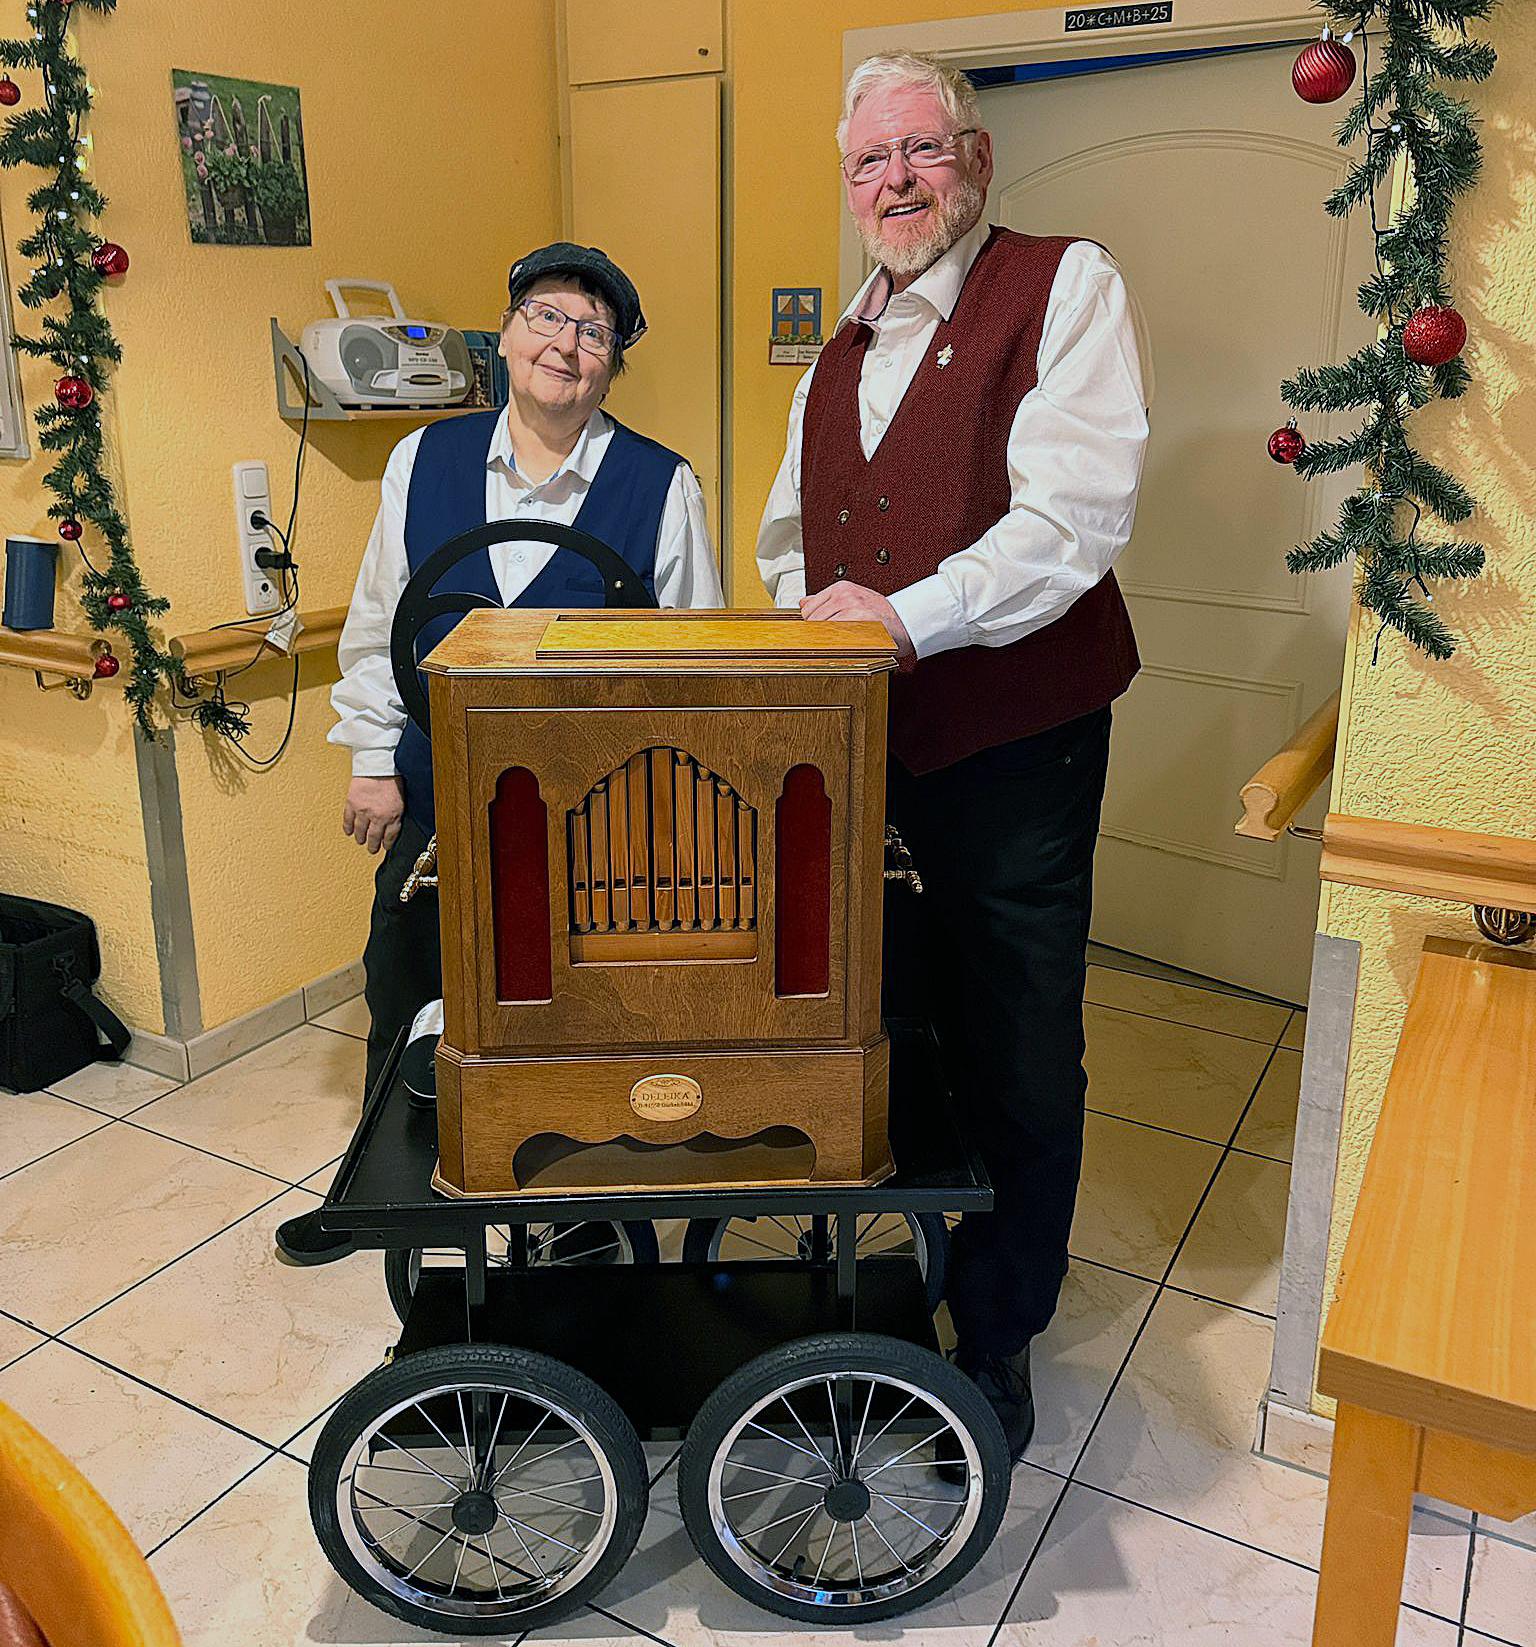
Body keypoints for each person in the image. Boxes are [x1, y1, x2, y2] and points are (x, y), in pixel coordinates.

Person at [756, 51, 1150, 1460]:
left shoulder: (1064, 286)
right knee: (894, 1024)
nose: (898, 179)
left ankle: (996, 1333)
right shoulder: (836, 352)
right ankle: (899, 1281)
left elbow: (1072, 520)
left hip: (1016, 747)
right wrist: (803, 635)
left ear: (975, 161)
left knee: (1019, 1049)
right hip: (873, 751)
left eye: (923, 149)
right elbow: (793, 538)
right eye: (871, 160)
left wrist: (901, 619)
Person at [277, 243, 723, 1264]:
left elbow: (691, 664)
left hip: (598, 816)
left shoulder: (662, 485)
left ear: (612, 364)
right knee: (405, 983)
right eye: (547, 318)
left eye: (592, 332)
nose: (565, 344)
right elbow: (380, 625)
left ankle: (583, 1205)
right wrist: (373, 760)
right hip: (438, 787)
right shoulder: (423, 461)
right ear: (507, 337)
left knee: (578, 1007)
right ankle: (387, 1194)